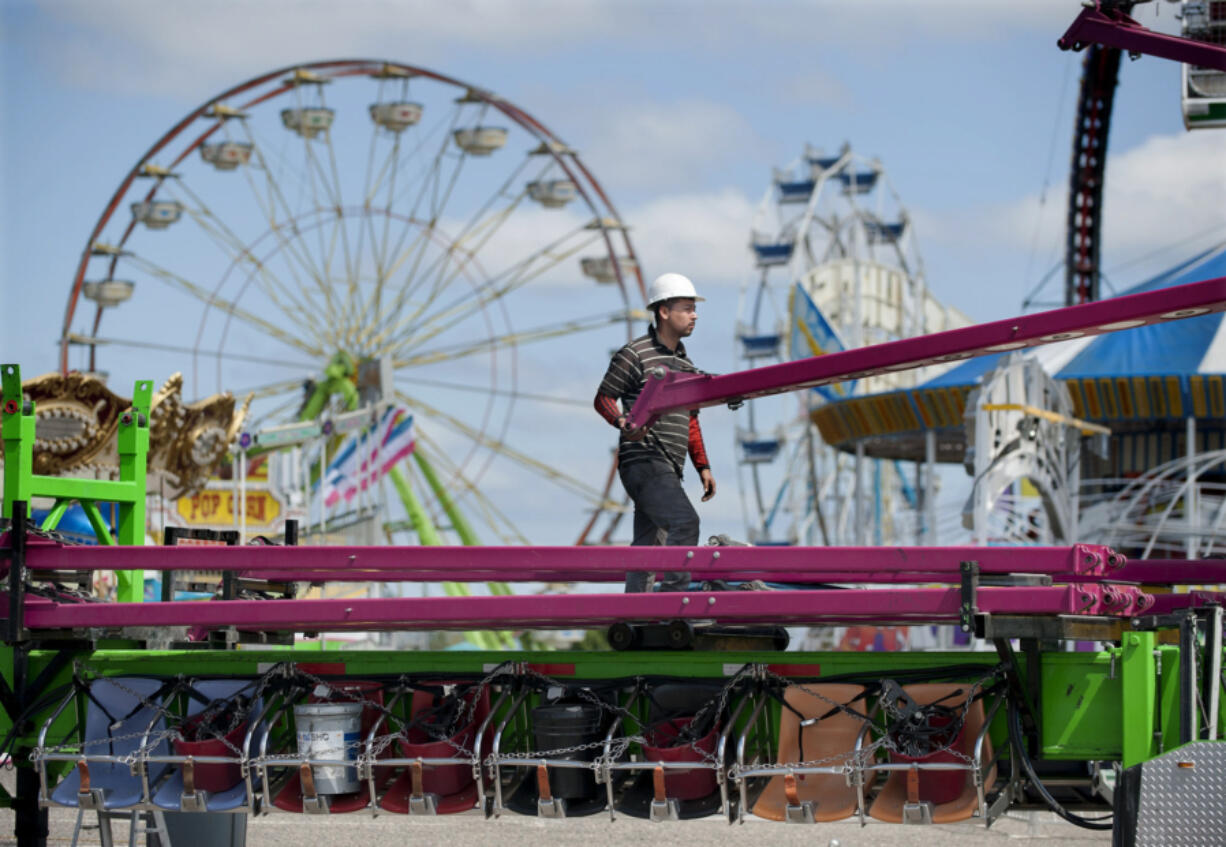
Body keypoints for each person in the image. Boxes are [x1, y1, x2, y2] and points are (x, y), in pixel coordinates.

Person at [594, 272, 715, 592]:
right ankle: (674, 599)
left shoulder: (687, 367)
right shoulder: (634, 354)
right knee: (685, 523)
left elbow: (691, 420)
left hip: (669, 467)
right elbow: (604, 397)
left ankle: (637, 613)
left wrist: (702, 465)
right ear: (664, 311)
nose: (694, 315)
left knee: (649, 545)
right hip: (644, 460)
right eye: (687, 308)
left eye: (694, 308)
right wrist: (621, 422)